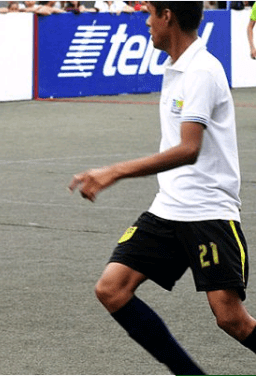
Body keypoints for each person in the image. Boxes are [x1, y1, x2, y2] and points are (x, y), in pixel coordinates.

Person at [68, 2, 256, 374]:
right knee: (111, 289)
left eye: (150, 13)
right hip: (169, 208)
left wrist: (115, 171)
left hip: (208, 211)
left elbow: (189, 149)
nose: (146, 22)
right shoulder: (178, 67)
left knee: (231, 319)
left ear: (167, 15)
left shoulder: (202, 70)